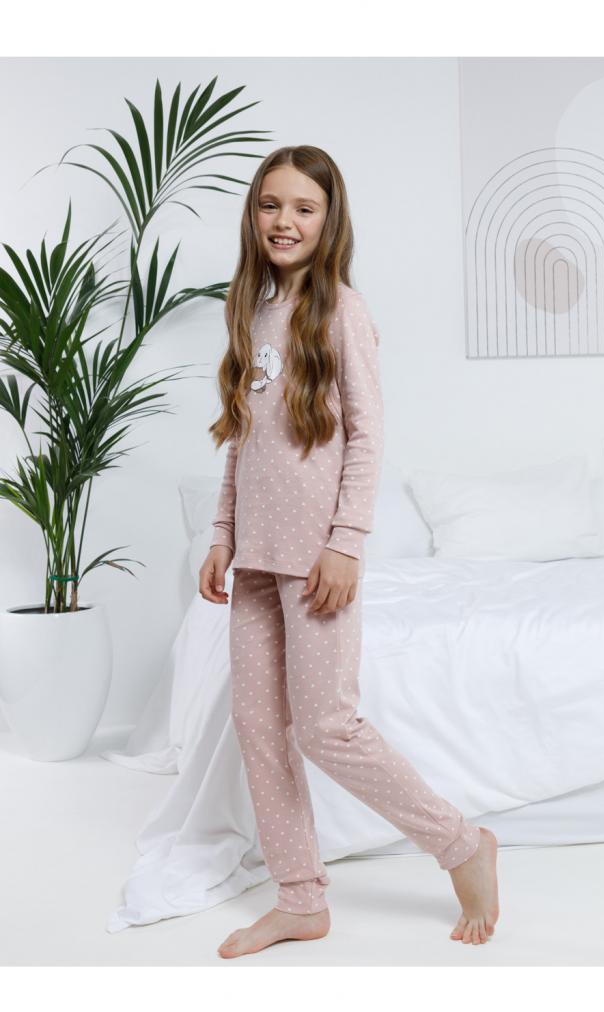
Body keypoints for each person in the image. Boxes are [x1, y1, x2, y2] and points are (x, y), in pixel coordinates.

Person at [199, 145, 499, 959]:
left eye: (303, 208)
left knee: (326, 725)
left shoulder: (342, 311)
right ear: (252, 215)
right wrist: (222, 535)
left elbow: (366, 436)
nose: (283, 221)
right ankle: (299, 899)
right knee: (258, 729)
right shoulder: (250, 310)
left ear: (328, 221)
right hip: (254, 559)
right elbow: (242, 442)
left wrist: (345, 544)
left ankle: (460, 844)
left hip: (316, 559)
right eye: (270, 205)